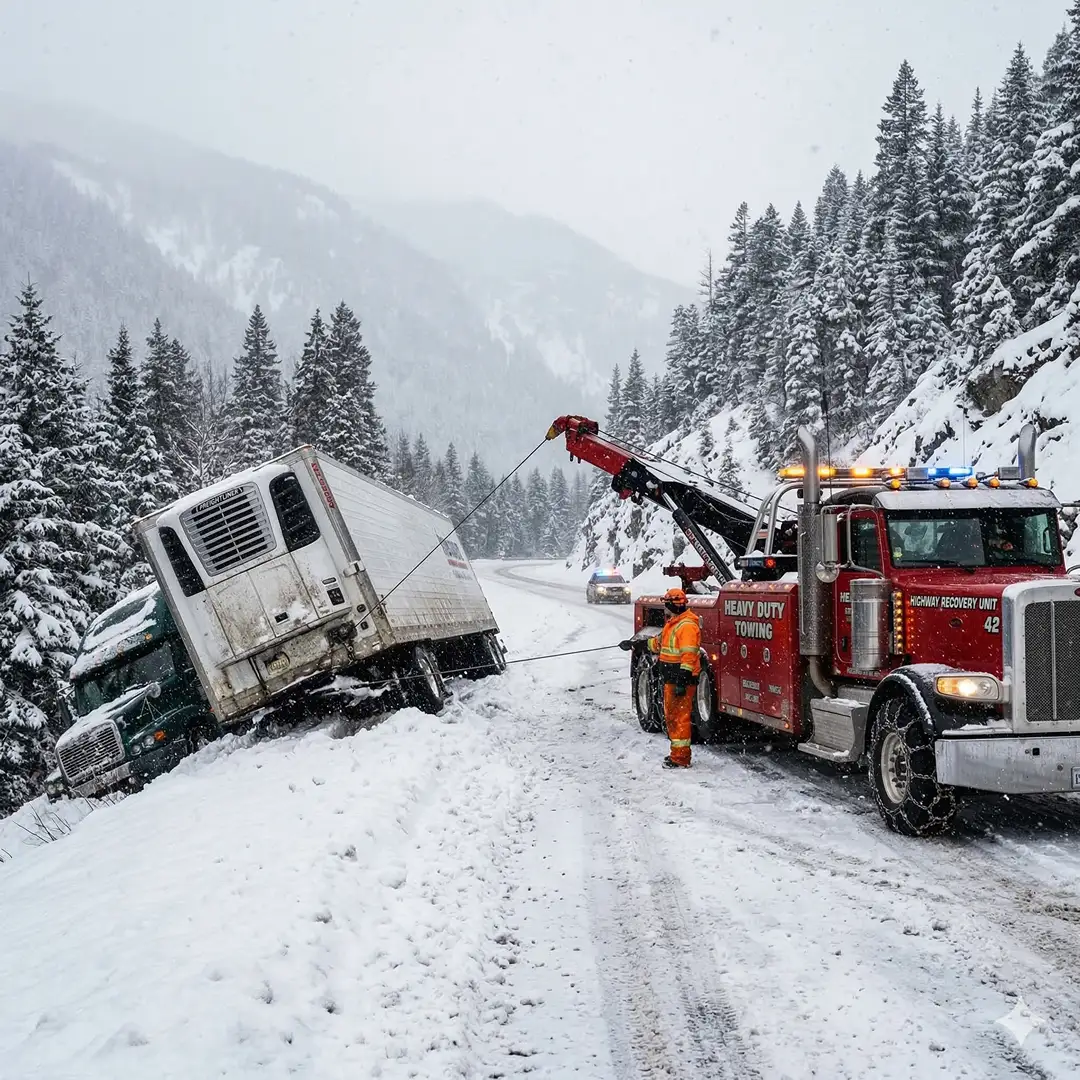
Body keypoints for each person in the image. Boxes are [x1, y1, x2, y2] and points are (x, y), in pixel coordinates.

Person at [620, 587, 701, 768]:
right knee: (672, 717)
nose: (665, 608)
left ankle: (680, 758)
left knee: (679, 718)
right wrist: (636, 645)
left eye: (667, 604)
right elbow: (656, 644)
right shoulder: (673, 624)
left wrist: (682, 680)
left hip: (680, 681)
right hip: (671, 679)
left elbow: (689, 656)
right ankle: (677, 754)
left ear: (673, 604)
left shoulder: (686, 626)